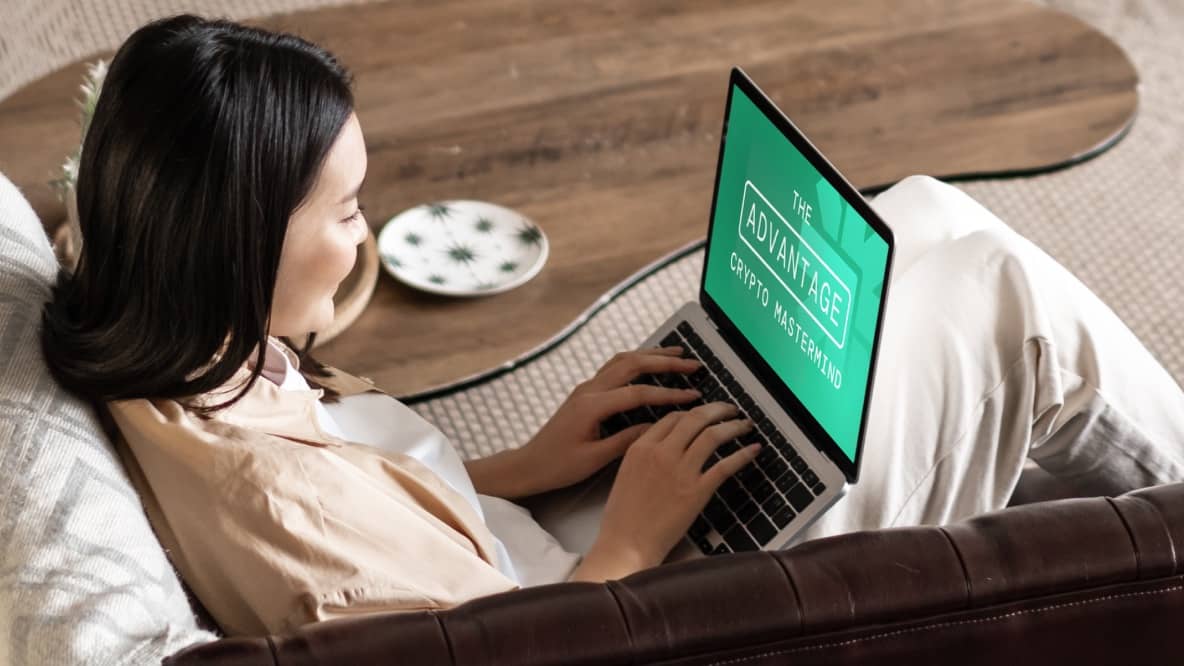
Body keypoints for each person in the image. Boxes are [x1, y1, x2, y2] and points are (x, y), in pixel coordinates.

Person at [38, 14, 1184, 638]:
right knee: (1000, 300)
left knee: (927, 213)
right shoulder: (275, 503)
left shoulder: (161, 340)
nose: (363, 232)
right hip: (644, 615)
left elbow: (379, 519)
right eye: (342, 211)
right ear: (236, 245)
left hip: (532, 549)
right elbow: (496, 649)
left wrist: (527, 465)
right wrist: (632, 543)